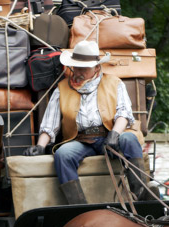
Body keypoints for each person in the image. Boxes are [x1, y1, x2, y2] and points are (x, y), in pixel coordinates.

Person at [23, 40, 147, 203]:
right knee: (63, 154)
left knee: (129, 138)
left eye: (84, 68)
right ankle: (78, 205)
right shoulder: (62, 88)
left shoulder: (114, 83)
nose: (79, 72)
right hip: (81, 141)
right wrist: (40, 146)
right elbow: (49, 125)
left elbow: (123, 113)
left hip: (110, 137)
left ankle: (143, 196)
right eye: (76, 67)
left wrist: (115, 134)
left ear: (97, 67)